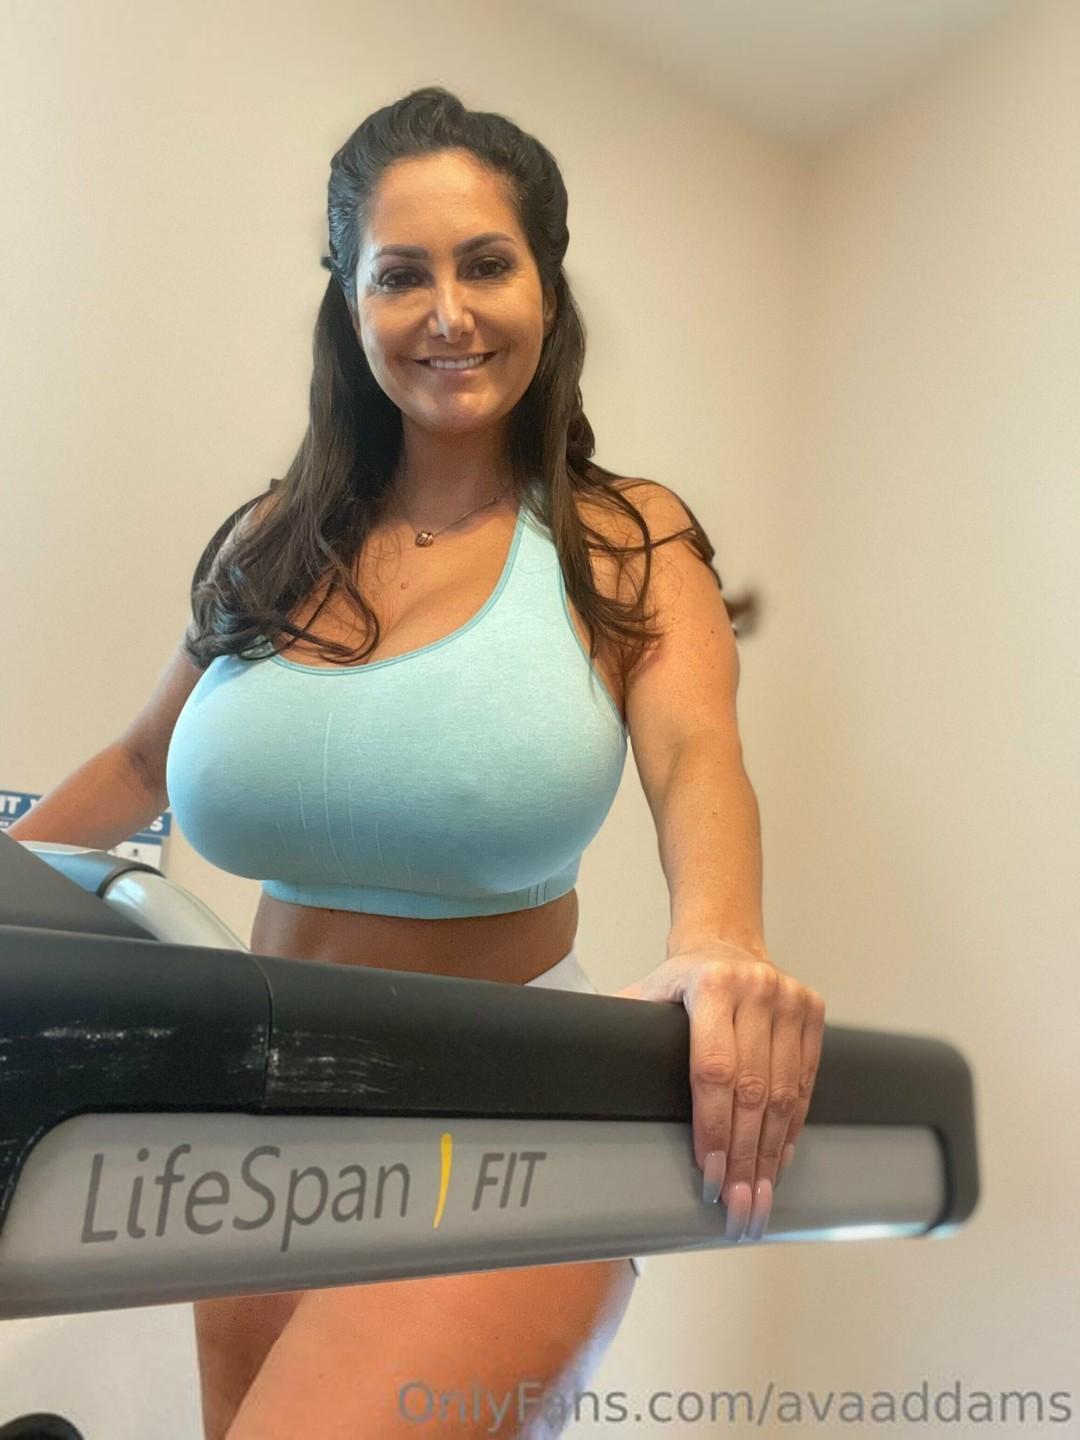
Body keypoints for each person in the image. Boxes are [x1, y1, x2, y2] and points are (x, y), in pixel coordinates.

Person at [10, 87, 826, 1440]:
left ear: (546, 287)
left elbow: (697, 755)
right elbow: (142, 759)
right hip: (254, 1101)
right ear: (352, 305)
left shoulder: (625, 538)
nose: (448, 312)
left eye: (486, 264)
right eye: (401, 275)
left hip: (510, 1105)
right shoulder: (271, 544)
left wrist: (722, 943)